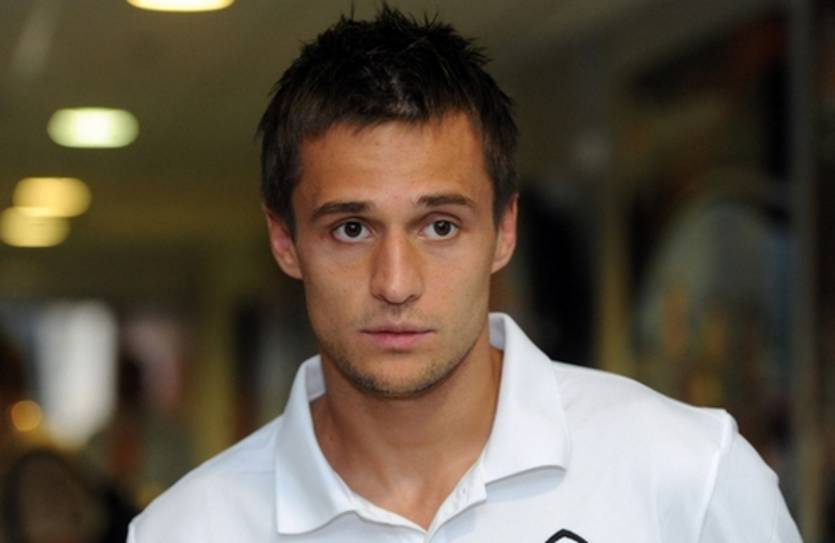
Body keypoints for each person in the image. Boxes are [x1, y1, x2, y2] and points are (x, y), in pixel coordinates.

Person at [128, 6, 802, 542]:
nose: (396, 283)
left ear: (504, 230)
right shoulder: (187, 529)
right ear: (285, 241)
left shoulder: (687, 474)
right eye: (351, 229)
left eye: (440, 226)